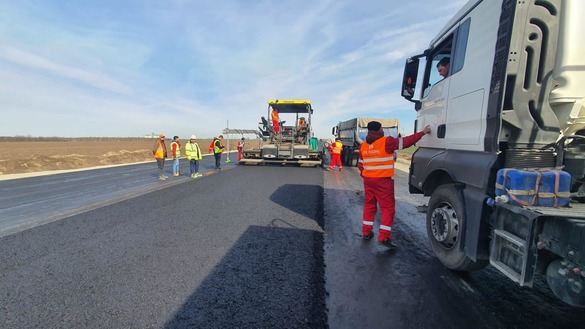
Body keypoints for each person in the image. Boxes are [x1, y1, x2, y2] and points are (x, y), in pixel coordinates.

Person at [358, 121, 431, 249]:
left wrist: (366, 175)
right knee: (387, 209)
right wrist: (423, 133)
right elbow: (406, 142)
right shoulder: (387, 141)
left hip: (368, 180)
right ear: (379, 130)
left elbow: (360, 164)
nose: (383, 130)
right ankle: (384, 236)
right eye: (382, 128)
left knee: (369, 206)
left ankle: (366, 232)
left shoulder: (363, 145)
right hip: (383, 181)